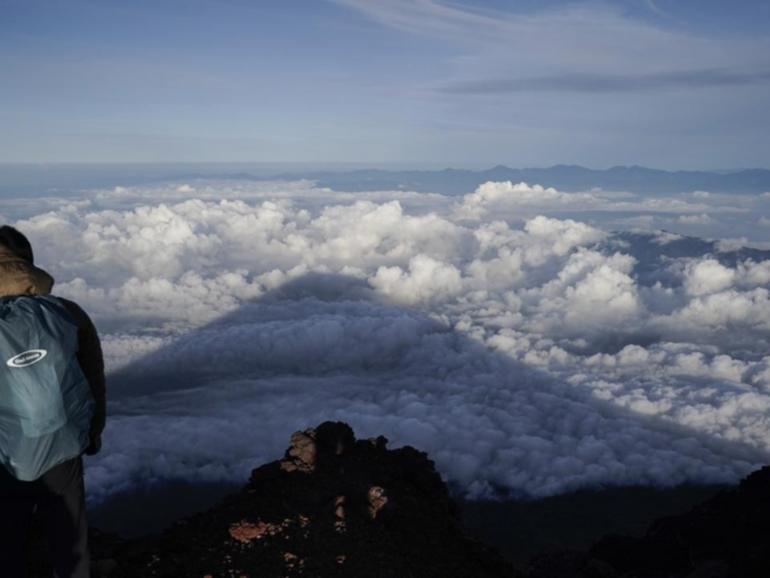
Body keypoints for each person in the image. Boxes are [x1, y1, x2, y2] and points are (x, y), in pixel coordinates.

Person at [0, 225, 106, 578]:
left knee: (7, 539)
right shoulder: (66, 312)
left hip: (5, 456)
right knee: (69, 536)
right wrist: (92, 434)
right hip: (64, 444)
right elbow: (92, 377)